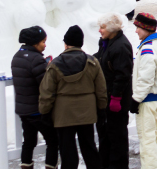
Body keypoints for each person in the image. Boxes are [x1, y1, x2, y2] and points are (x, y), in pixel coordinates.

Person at [39, 26, 107, 169]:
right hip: (87, 113)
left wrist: (45, 112)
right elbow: (101, 90)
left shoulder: (55, 64)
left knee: (67, 151)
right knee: (89, 148)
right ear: (81, 43)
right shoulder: (93, 62)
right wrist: (101, 109)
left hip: (64, 114)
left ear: (66, 44)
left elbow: (47, 92)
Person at [11, 25, 59, 169]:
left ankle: (26, 166)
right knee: (53, 140)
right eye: (43, 42)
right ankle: (51, 166)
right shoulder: (36, 59)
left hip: (24, 110)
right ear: (34, 42)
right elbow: (45, 84)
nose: (45, 45)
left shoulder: (17, 57)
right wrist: (48, 67)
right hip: (37, 110)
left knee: (29, 141)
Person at [130, 13, 157, 169]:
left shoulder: (148, 48)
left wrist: (136, 99)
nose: (136, 31)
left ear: (146, 29)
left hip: (147, 100)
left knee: (147, 139)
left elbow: (146, 78)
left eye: (138, 28)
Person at [94, 14, 133, 169]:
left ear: (111, 28)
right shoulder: (106, 42)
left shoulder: (121, 46)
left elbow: (122, 75)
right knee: (105, 135)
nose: (99, 30)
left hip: (116, 100)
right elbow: (100, 58)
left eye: (102, 27)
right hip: (106, 98)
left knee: (117, 137)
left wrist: (116, 98)